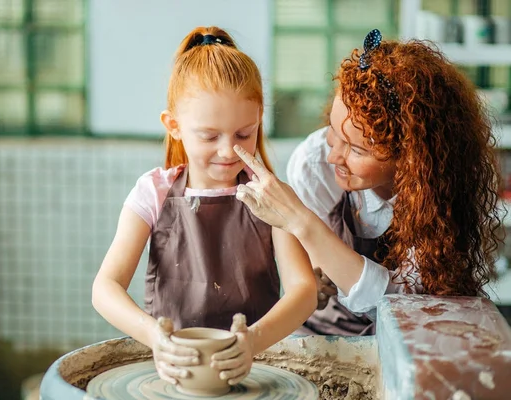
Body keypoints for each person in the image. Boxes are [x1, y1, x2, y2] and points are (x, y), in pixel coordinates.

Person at [233, 29, 503, 336]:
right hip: (321, 332)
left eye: (357, 149)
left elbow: (403, 305)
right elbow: (311, 280)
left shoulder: (440, 196)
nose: (334, 155)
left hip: (407, 337)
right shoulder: (313, 164)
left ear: (411, 157)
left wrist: (301, 222)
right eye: (334, 131)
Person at [92, 26, 317, 386]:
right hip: (175, 370)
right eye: (210, 136)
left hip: (256, 368)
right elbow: (105, 287)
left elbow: (304, 291)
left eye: (245, 134)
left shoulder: (269, 195)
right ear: (174, 126)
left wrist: (253, 342)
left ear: (259, 119)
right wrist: (155, 337)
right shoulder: (153, 192)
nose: (229, 150)